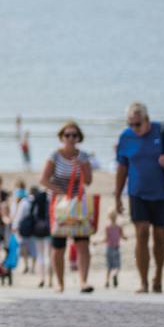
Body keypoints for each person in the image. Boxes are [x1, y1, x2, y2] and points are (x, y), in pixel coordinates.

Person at [113, 101, 164, 295]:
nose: (134, 128)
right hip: (137, 193)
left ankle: (159, 277)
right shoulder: (125, 137)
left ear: (147, 119)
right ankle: (143, 282)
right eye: (130, 124)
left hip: (163, 193)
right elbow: (122, 168)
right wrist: (117, 196)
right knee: (141, 233)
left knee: (160, 237)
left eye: (137, 124)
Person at [41, 120, 96, 294]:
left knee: (82, 243)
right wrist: (60, 193)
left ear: (79, 137)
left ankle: (83, 281)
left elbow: (88, 181)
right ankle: (59, 282)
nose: (71, 138)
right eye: (67, 135)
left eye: (74, 135)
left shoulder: (83, 156)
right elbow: (43, 180)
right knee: (58, 245)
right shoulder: (54, 155)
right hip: (59, 206)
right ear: (61, 137)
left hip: (78, 204)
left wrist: (82, 166)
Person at [14, 177, 51, 288]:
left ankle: (42, 278)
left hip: (38, 229)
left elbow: (20, 215)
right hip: (49, 228)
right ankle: (51, 280)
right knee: (48, 255)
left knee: (40, 254)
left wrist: (15, 226)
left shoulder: (28, 201)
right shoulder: (49, 199)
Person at [103, 216, 124, 289]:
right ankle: (115, 274)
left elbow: (105, 239)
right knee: (117, 266)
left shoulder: (107, 227)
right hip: (116, 248)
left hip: (108, 248)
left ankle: (107, 281)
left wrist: (97, 242)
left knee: (109, 267)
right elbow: (123, 236)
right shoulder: (119, 227)